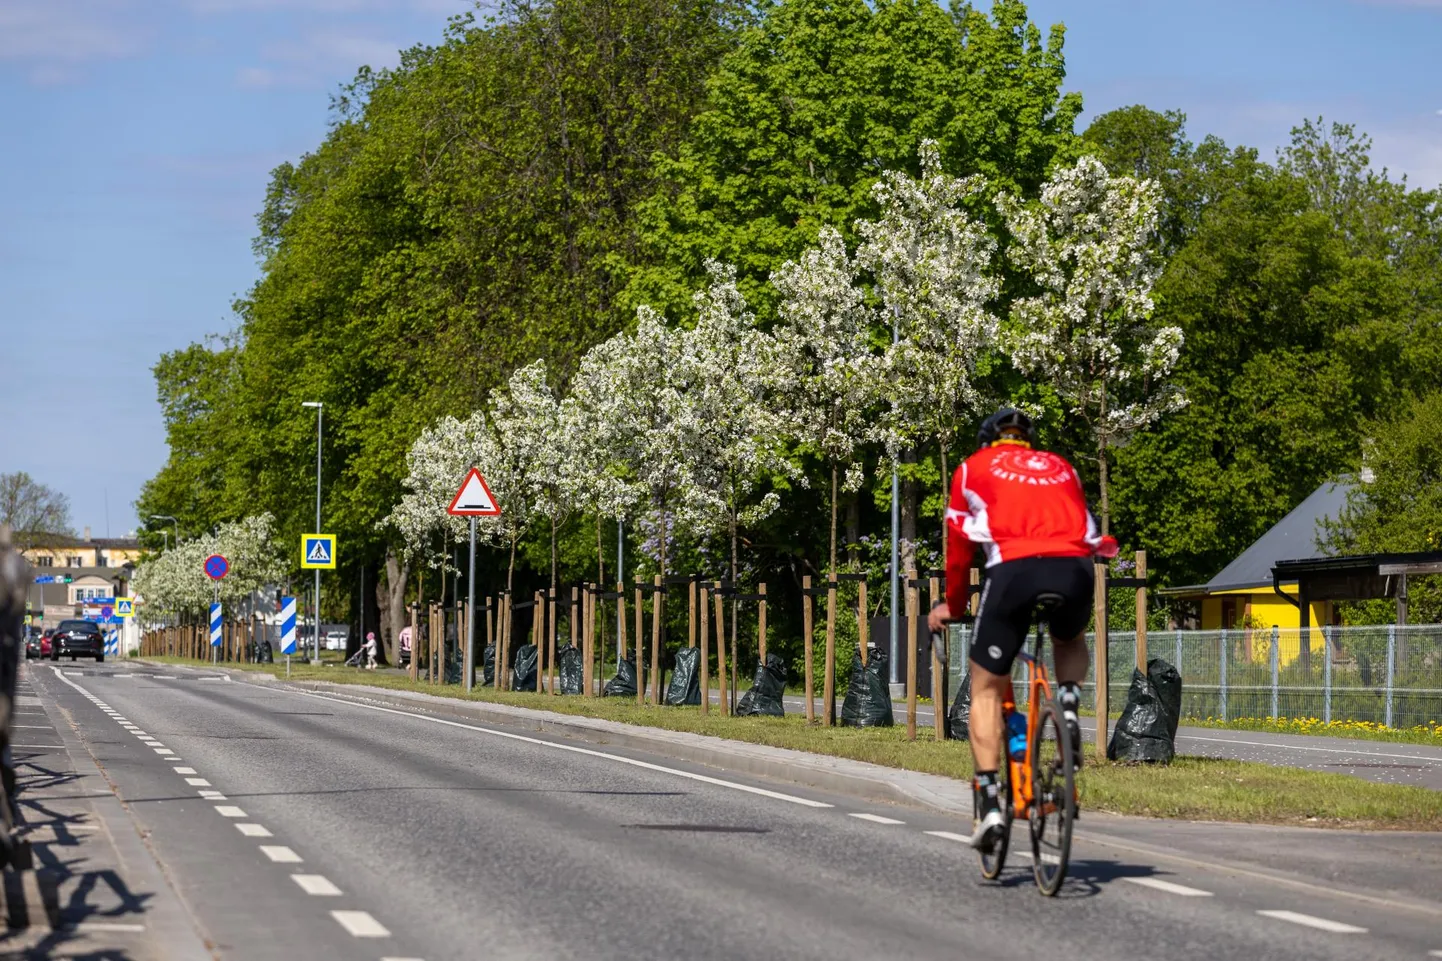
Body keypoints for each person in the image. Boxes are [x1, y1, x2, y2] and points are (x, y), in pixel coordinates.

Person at [927, 408, 1116, 852]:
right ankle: (1067, 704)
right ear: (1028, 441)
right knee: (1067, 638)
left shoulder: (972, 468)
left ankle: (990, 800)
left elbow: (959, 547)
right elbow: (1084, 523)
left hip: (1014, 570)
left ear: (987, 440)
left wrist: (953, 606)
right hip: (1074, 566)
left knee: (987, 686)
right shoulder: (1061, 466)